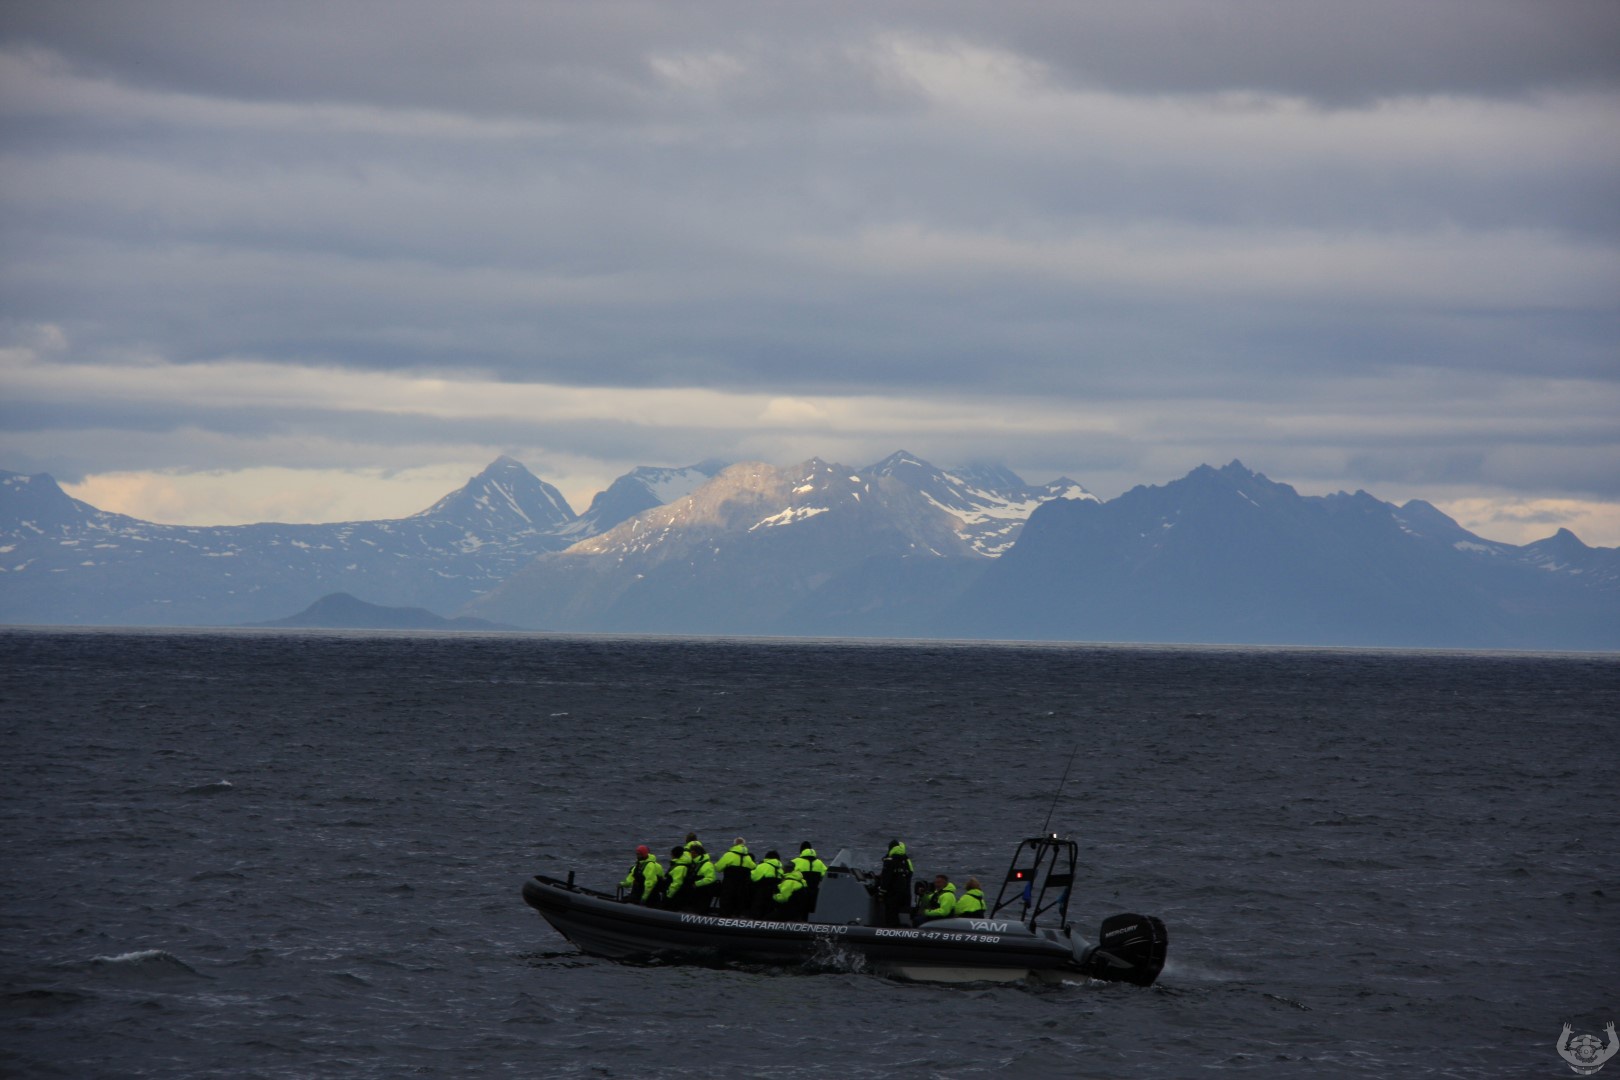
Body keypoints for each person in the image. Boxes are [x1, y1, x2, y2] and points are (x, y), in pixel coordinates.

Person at [712, 837, 757, 916]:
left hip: (729, 884)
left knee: (726, 899)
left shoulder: (729, 855)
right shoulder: (748, 857)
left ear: (734, 845)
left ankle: (724, 916)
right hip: (742, 886)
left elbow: (718, 868)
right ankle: (737, 915)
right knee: (740, 899)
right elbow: (754, 867)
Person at [878, 839, 914, 926]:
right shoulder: (906, 860)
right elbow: (910, 874)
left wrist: (881, 894)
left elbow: (886, 879)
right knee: (902, 912)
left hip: (893, 892)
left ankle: (890, 930)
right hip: (905, 892)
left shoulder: (889, 860)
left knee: (891, 913)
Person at [791, 841, 828, 915]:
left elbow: (786, 876)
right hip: (814, 896)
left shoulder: (794, 862)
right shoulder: (820, 863)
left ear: (801, 851)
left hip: (800, 896)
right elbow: (826, 876)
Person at [750, 848, 785, 918]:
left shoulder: (762, 866)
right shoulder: (781, 869)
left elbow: (753, 878)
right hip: (775, 895)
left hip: (762, 894)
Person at [684, 842, 717, 912]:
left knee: (701, 908)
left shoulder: (707, 864)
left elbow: (711, 878)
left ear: (696, 853)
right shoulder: (695, 863)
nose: (690, 854)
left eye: (691, 853)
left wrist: (696, 884)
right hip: (697, 891)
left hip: (704, 891)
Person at [662, 844, 694, 909]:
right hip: (681, 894)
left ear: (674, 855)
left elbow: (676, 884)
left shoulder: (679, 867)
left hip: (675, 896)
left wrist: (668, 896)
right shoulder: (684, 864)